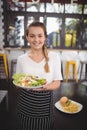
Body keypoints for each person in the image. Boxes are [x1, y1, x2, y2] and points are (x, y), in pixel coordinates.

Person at [15, 21, 63, 130]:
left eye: (40, 36)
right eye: (32, 36)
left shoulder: (54, 57)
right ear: (27, 37)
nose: (36, 40)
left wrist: (43, 87)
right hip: (25, 104)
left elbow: (57, 83)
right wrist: (23, 84)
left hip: (45, 104)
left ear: (45, 37)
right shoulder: (21, 59)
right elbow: (18, 84)